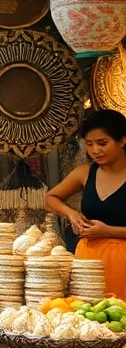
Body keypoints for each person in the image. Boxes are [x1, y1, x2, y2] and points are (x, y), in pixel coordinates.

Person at [46, 109, 126, 297]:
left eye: (102, 143)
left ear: (122, 141)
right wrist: (71, 214)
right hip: (88, 261)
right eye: (89, 144)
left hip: (122, 262)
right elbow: (51, 198)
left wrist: (108, 231)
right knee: (89, 317)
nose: (94, 150)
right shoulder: (85, 172)